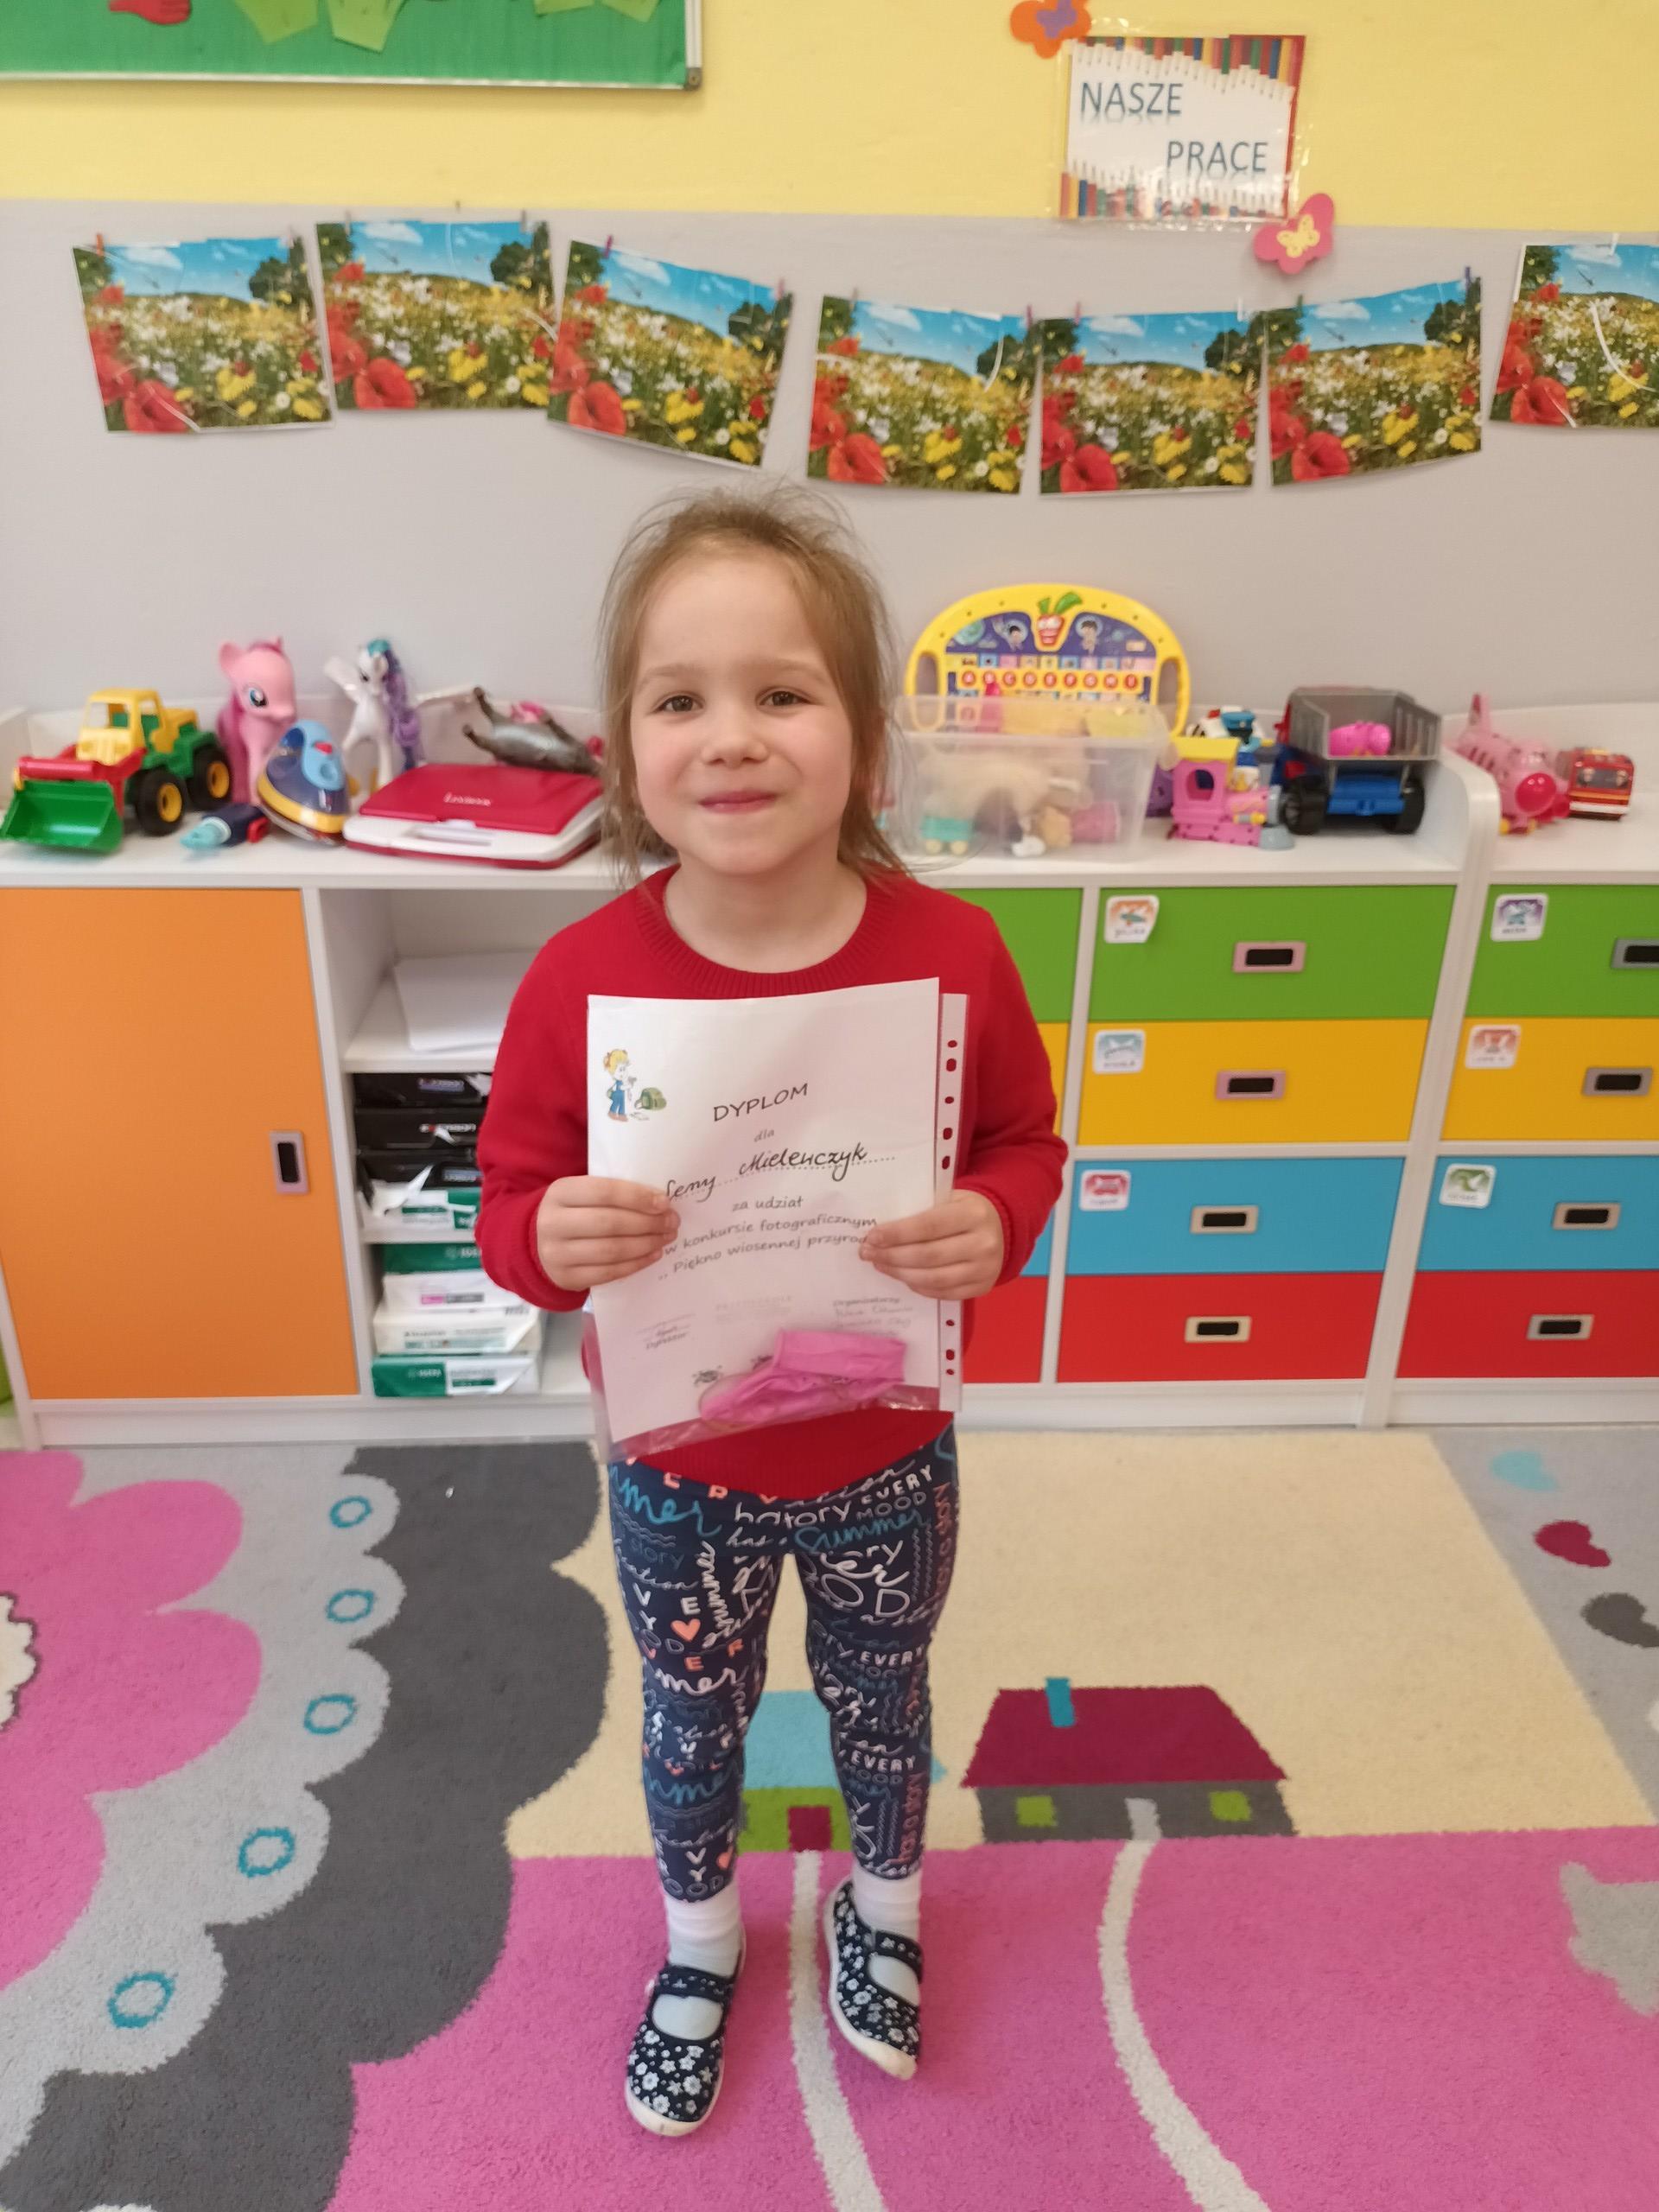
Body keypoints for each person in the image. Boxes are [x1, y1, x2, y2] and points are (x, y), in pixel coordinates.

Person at [477, 486, 1067, 2136]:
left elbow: (1026, 1146)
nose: (731, 737)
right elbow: (508, 1217)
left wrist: (995, 1220)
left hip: (889, 1449)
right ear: (625, 748)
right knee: (693, 1721)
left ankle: (886, 1910)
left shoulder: (956, 954)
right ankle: (700, 1945)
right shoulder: (578, 981)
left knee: (885, 1700)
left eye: (783, 692)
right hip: (682, 1470)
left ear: (864, 740)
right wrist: (552, 1236)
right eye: (680, 699)